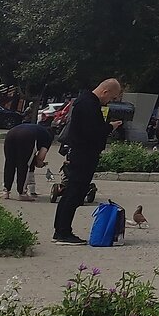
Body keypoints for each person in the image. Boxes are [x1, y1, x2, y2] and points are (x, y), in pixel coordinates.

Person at [53, 78, 123, 244]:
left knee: (73, 192)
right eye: (112, 97)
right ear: (105, 91)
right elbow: (92, 132)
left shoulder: (86, 102)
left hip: (81, 153)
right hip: (83, 155)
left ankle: (61, 230)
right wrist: (110, 127)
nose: (110, 101)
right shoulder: (88, 104)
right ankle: (63, 232)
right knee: (74, 193)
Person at [2, 121, 54, 200]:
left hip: (11, 134)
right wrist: (40, 164)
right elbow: (41, 157)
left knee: (9, 163)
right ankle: (22, 194)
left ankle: (6, 192)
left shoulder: (37, 129)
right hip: (27, 136)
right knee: (24, 165)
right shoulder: (48, 137)